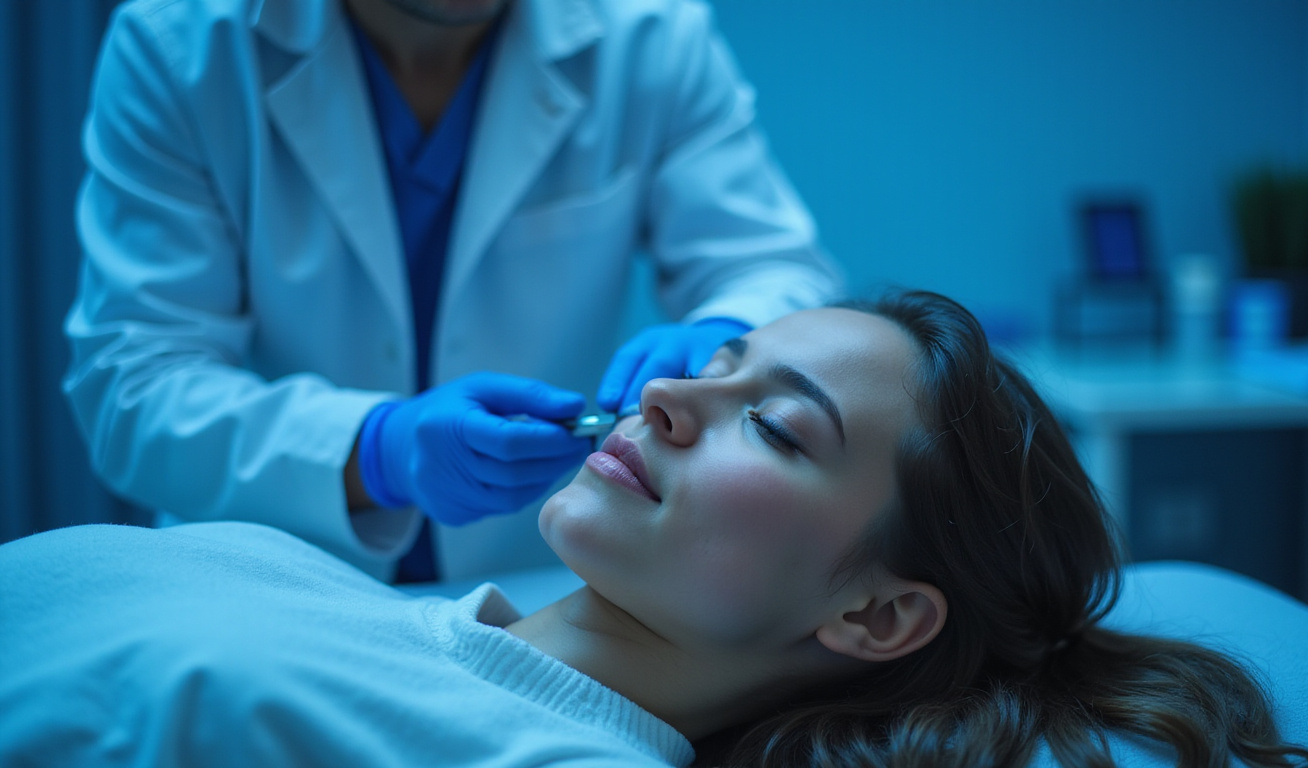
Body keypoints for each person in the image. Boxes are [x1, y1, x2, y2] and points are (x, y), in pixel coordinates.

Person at [6, 291, 1308, 766]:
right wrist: (373, 449)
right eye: (724, 357)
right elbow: (128, 363)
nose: (672, 391)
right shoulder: (348, 605)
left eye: (781, 424)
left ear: (873, 613)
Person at [61, 0, 840, 583]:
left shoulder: (650, 36)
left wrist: (732, 334)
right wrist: (375, 450)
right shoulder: (180, 46)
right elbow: (132, 387)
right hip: (268, 580)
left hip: (528, 579)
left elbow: (778, 270)